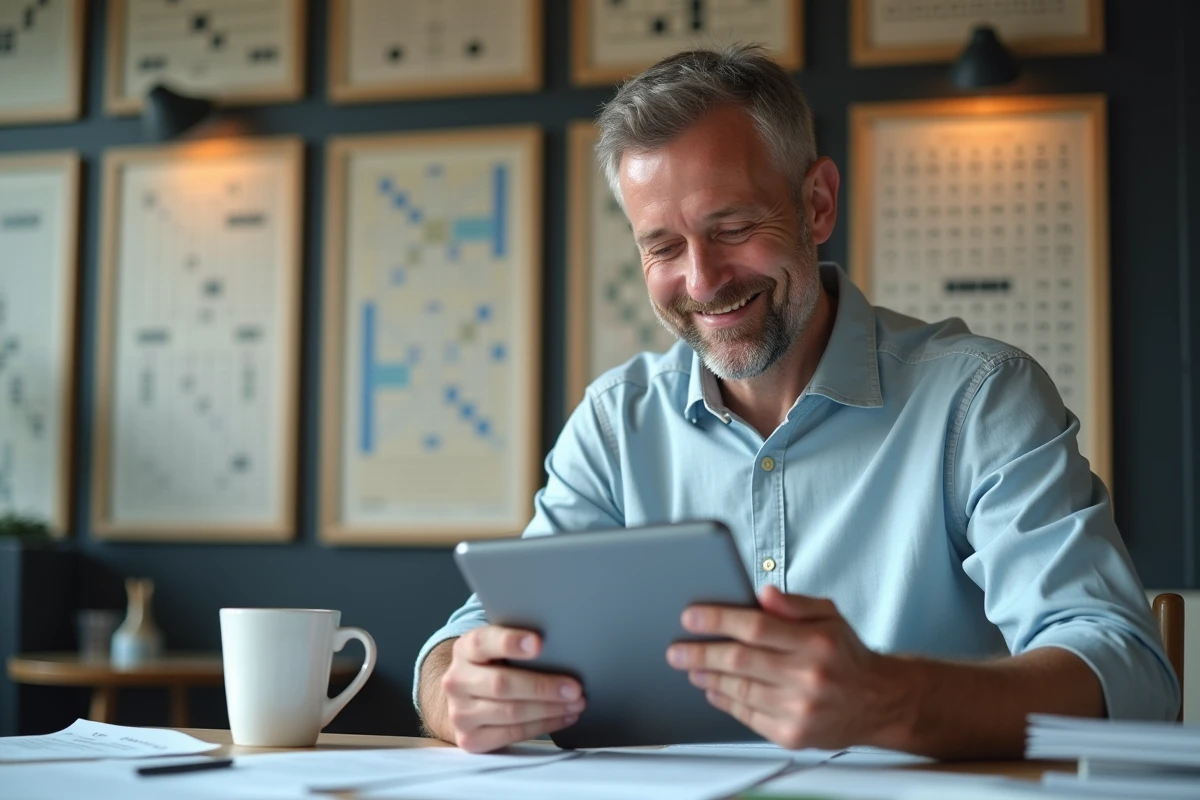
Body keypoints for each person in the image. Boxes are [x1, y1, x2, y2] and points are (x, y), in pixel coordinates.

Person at [413, 45, 1179, 757]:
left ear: (816, 203)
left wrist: (889, 700)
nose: (705, 281)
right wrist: (459, 695)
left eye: (735, 227)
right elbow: (466, 644)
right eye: (664, 248)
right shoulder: (616, 423)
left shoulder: (978, 399)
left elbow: (1130, 676)